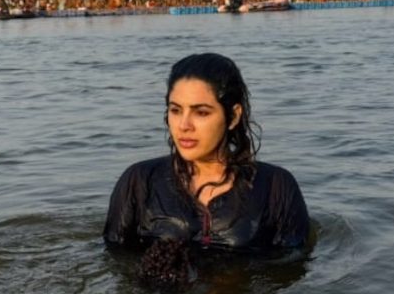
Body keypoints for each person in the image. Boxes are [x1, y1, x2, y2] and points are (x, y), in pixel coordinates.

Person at [103, 53, 310, 255]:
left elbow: (292, 266)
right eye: (175, 110)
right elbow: (115, 260)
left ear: (233, 116)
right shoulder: (140, 181)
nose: (184, 125)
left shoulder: (275, 187)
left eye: (201, 112)